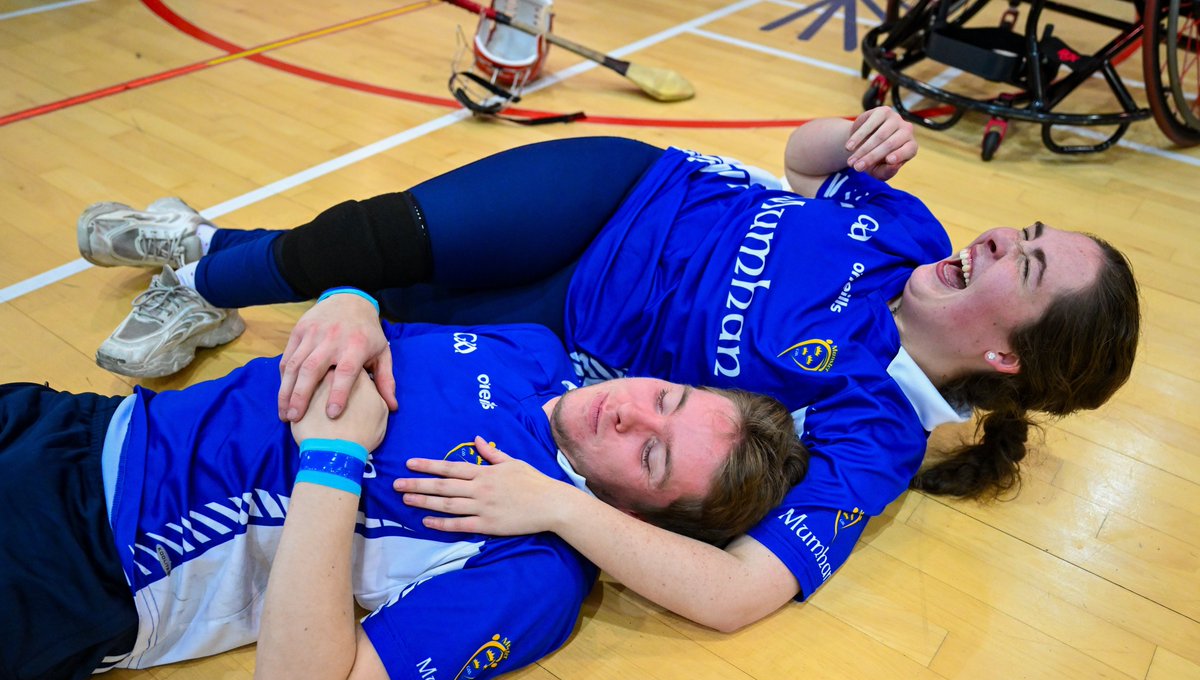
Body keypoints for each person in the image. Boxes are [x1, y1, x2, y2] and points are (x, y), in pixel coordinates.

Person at [76, 106, 1140, 633]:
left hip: (571, 323)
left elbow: (737, 593)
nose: (1000, 236)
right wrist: (850, 134)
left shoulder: (876, 433)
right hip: (616, 190)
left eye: (1027, 262)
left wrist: (558, 509)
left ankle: (199, 243)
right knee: (379, 240)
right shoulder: (908, 226)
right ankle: (210, 278)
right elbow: (802, 168)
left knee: (383, 308)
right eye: (1025, 228)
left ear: (1005, 353)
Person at [0, 290, 806, 680]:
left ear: (641, 516)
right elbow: (373, 329)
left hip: (90, 557)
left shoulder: (533, 571)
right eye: (666, 397)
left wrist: (333, 461)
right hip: (80, 421)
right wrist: (349, 301)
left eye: (652, 457)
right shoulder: (533, 348)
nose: (633, 416)